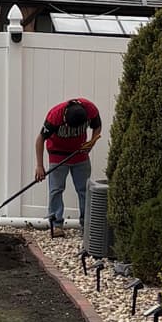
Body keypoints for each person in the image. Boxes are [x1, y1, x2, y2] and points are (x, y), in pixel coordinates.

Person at [35, 95, 101, 229]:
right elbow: (40, 139)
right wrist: (39, 166)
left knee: (84, 190)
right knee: (56, 190)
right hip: (57, 154)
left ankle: (86, 225)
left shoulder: (91, 110)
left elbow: (97, 127)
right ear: (65, 118)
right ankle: (56, 224)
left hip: (80, 154)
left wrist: (91, 143)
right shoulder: (55, 116)